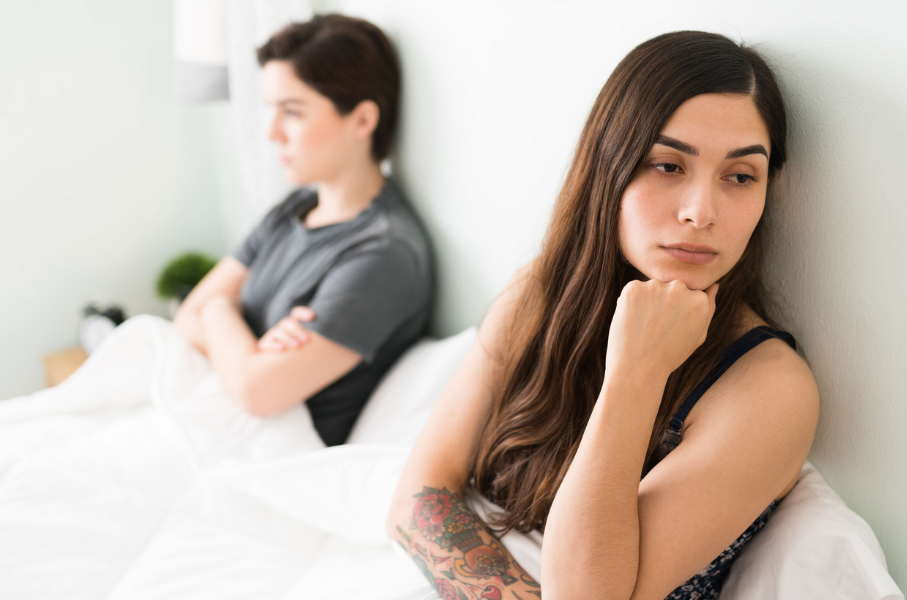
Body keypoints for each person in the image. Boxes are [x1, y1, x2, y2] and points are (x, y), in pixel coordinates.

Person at [386, 31, 818, 600]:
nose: (700, 212)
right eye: (667, 165)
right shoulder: (539, 292)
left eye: (740, 176)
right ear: (606, 166)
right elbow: (418, 497)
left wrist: (635, 374)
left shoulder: (769, 389)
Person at [173, 15, 433, 447]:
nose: (272, 133)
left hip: (276, 453)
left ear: (363, 120)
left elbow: (258, 391)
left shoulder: (383, 255)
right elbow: (188, 316)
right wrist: (243, 338)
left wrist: (220, 311)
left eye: (292, 111)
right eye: (270, 110)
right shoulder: (292, 209)